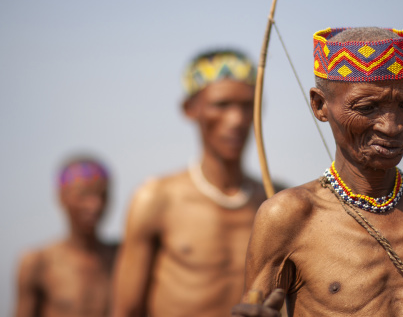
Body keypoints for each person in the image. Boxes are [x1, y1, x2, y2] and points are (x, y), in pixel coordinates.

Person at [231, 27, 403, 317]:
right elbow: (256, 308)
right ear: (320, 105)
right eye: (367, 107)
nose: (392, 126)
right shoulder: (288, 216)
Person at [112, 50, 271, 317]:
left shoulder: (274, 201)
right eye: (221, 105)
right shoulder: (156, 199)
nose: (237, 120)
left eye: (247, 105)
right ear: (190, 109)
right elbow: (125, 310)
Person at [14, 156, 116, 317]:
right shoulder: (39, 263)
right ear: (62, 197)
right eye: (83, 195)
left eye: (102, 195)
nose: (95, 205)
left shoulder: (123, 258)